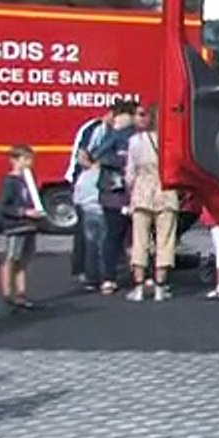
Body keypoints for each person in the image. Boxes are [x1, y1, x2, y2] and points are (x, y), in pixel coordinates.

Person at [125, 104, 180, 302]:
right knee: (165, 241)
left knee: (140, 241)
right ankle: (160, 287)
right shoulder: (172, 141)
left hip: (141, 192)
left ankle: (138, 288)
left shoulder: (135, 141)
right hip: (166, 192)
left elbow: (130, 174)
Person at [92, 101, 137, 295]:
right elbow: (98, 155)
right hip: (114, 194)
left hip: (134, 193)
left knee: (137, 237)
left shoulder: (138, 135)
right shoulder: (112, 135)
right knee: (113, 236)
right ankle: (109, 277)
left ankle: (140, 275)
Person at [67, 107, 110, 284]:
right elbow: (82, 156)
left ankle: (82, 268)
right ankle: (89, 272)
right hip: (84, 184)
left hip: (85, 185)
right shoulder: (96, 128)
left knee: (85, 232)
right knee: (90, 233)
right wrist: (96, 167)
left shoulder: (99, 128)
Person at [1, 145, 43, 310]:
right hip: (16, 226)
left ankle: (21, 293)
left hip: (29, 226)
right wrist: (24, 212)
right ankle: (7, 292)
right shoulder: (10, 181)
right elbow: (4, 206)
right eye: (25, 159)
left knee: (24, 261)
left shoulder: (28, 180)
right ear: (14, 161)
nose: (29, 163)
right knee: (11, 259)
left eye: (30, 159)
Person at [73, 160, 107, 293]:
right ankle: (103, 276)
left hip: (87, 212)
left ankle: (90, 278)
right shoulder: (102, 175)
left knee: (90, 245)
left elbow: (77, 197)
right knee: (102, 245)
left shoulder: (84, 175)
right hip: (101, 211)